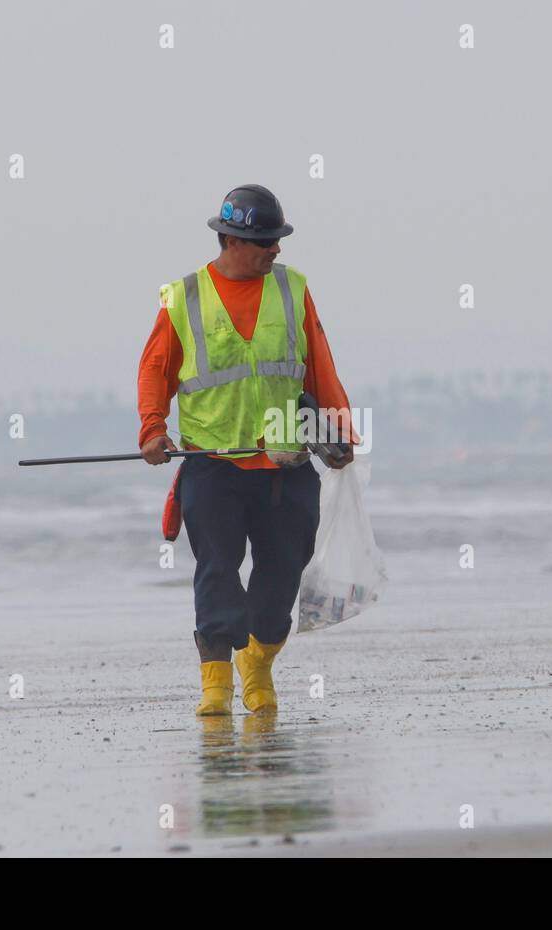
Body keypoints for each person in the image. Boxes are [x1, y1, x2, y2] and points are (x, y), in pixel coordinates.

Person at [138, 184, 356, 716]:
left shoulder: (293, 289)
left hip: (285, 462)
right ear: (232, 240)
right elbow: (155, 368)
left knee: (284, 570)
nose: (276, 250)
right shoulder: (184, 296)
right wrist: (152, 429)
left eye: (279, 240)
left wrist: (340, 427)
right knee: (217, 568)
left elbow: (319, 364)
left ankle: (257, 662)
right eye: (266, 241)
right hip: (212, 462)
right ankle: (215, 685)